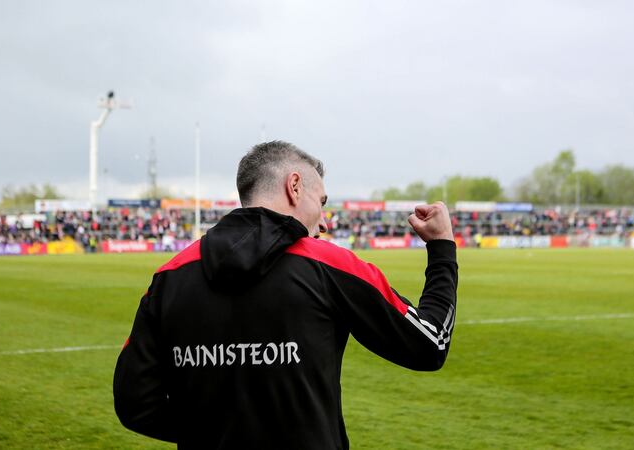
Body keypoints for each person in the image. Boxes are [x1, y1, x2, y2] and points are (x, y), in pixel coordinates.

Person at [113, 141, 458, 449]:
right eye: (321, 202)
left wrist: (216, 432)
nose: (324, 223)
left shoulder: (169, 276)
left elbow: (135, 404)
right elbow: (429, 344)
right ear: (294, 186)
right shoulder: (329, 264)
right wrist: (442, 247)